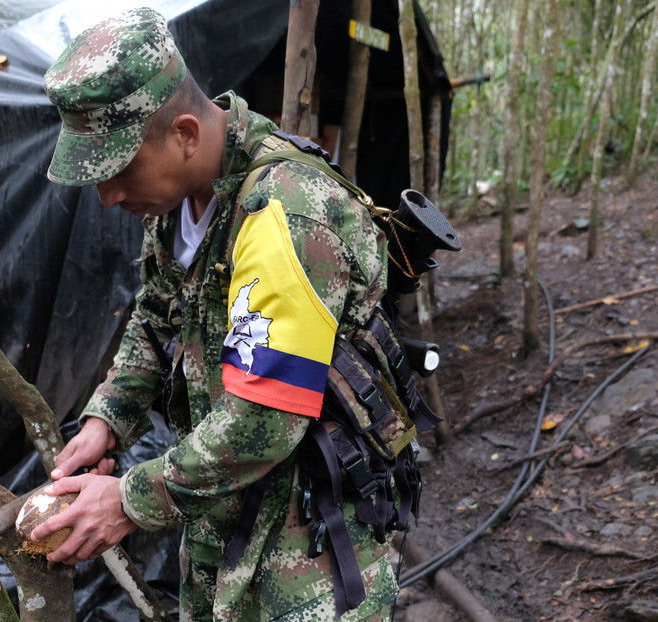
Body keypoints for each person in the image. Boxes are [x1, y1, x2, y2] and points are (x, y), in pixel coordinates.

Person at [29, 7, 398, 620]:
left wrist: (129, 500)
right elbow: (156, 315)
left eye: (119, 169)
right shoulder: (179, 204)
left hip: (310, 549)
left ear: (185, 135)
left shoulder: (286, 215)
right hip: (220, 521)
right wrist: (109, 417)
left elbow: (265, 418)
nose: (108, 196)